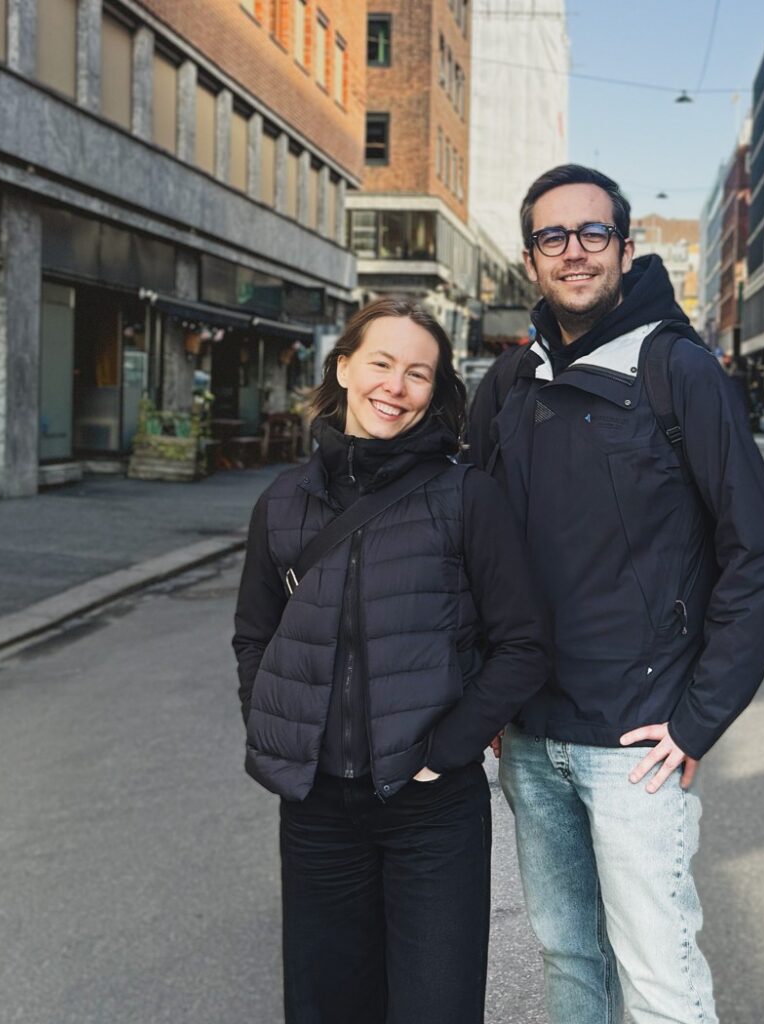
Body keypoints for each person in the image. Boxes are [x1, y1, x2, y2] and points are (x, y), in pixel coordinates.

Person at [467, 165, 764, 1024]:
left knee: (658, 978)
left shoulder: (678, 370)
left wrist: (698, 717)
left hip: (637, 745)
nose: (573, 253)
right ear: (530, 256)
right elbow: (466, 552)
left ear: (625, 247)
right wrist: (484, 695)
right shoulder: (506, 386)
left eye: (592, 234)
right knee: (572, 961)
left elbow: (755, 552)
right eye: (552, 237)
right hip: (531, 739)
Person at [232, 298, 550, 1024]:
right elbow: (256, 635)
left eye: (417, 374)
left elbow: (523, 642)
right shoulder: (283, 503)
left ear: (435, 393)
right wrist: (279, 726)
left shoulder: (466, 496)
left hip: (431, 812)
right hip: (316, 812)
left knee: (434, 1007)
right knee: (329, 1008)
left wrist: (449, 748)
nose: (394, 387)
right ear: (344, 366)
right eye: (380, 363)